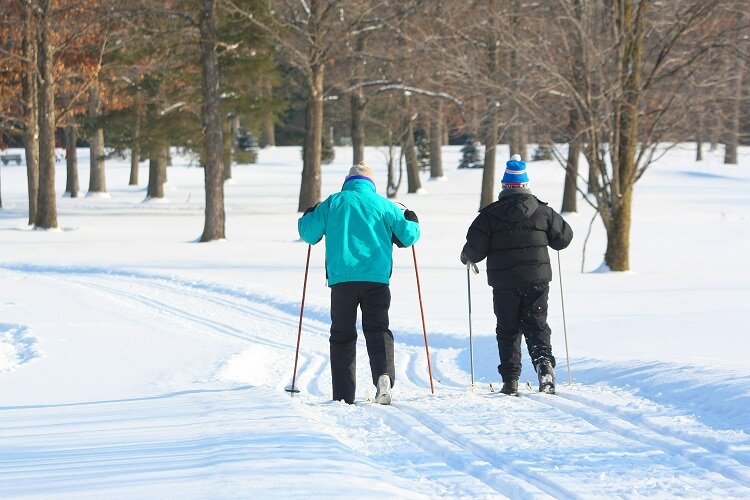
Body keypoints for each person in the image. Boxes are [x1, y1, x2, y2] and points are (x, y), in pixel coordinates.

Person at [298, 161, 420, 405]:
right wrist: (412, 219)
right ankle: (383, 376)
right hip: (376, 280)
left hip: (342, 281)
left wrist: (310, 213)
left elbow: (308, 234)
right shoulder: (384, 205)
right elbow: (408, 236)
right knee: (378, 329)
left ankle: (344, 394)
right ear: (371, 184)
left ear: (348, 182)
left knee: (342, 334)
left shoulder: (334, 202)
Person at [460, 154, 573, 395]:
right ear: (525, 185)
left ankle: (510, 380)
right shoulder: (544, 212)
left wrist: (466, 256)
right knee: (537, 323)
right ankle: (544, 367)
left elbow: (474, 251)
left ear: (504, 186)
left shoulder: (489, 216)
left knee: (508, 329)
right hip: (537, 280)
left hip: (505, 284)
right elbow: (563, 239)